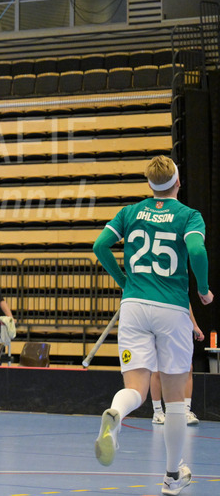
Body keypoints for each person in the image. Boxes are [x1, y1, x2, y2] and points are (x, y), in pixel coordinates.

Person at [90, 155, 211, 496]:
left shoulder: (129, 212)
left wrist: (123, 280)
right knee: (175, 401)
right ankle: (173, 476)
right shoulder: (188, 216)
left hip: (134, 306)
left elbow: (100, 246)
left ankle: (116, 411)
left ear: (149, 184)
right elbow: (197, 251)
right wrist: (202, 290)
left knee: (137, 389)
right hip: (171, 310)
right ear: (177, 182)